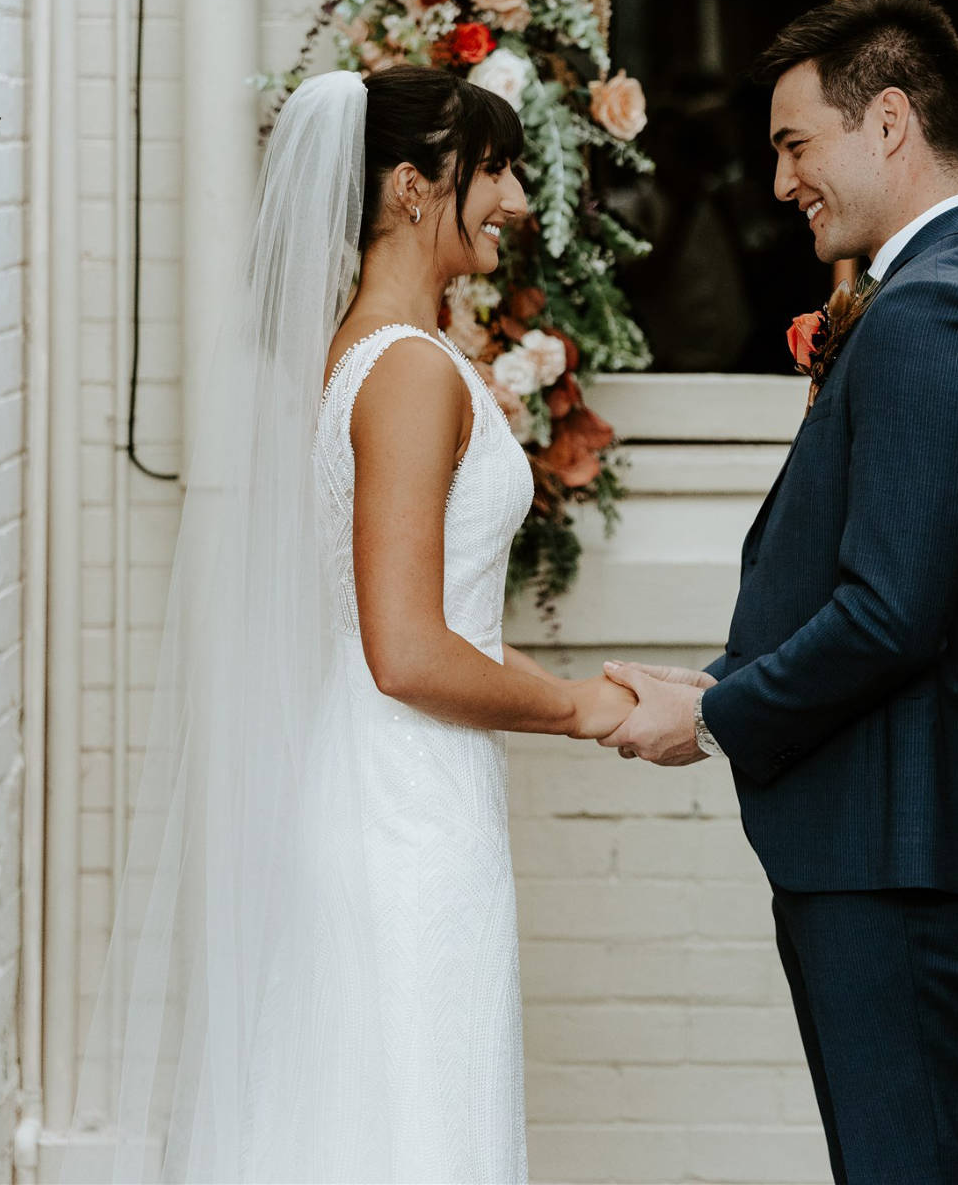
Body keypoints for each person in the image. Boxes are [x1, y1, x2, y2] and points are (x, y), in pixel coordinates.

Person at [64, 66, 634, 1184]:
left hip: (396, 789)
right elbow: (410, 650)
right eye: (498, 169)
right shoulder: (411, 373)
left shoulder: (368, 357)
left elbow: (425, 620)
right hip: (401, 813)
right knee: (413, 1130)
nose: (519, 199)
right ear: (417, 187)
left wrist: (599, 695)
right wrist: (572, 708)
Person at [602, 0, 958, 1185]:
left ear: (889, 120)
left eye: (797, 143)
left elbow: (893, 612)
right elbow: (891, 581)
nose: (784, 179)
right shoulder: (942, 294)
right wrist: (725, 673)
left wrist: (715, 716)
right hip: (884, 838)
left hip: (891, 846)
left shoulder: (931, 312)